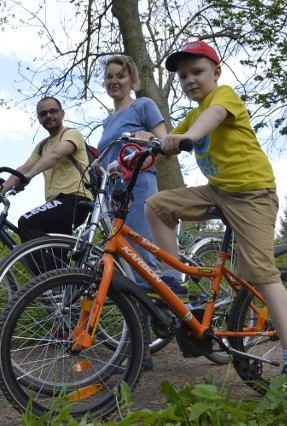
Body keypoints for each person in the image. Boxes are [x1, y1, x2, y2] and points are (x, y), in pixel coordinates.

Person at [144, 40, 287, 399]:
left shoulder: (223, 98)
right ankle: (174, 281)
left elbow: (212, 119)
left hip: (252, 193)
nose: (190, 80)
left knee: (260, 269)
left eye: (197, 72)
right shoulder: (192, 115)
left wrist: (188, 138)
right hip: (219, 192)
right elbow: (163, 143)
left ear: (216, 72)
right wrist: (133, 155)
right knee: (156, 205)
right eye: (183, 77)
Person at [97, 54, 176, 291]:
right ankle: (134, 322)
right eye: (109, 76)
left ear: (132, 79)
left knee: (139, 256)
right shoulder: (107, 121)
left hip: (138, 184)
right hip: (113, 193)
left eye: (121, 76)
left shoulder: (143, 105)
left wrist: (149, 138)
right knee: (121, 260)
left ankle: (152, 320)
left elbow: (165, 143)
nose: (114, 81)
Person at [3, 96, 93, 243]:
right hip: (55, 204)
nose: (48, 116)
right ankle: (58, 267)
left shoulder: (71, 134)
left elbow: (55, 155)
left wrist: (29, 177)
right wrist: (0, 191)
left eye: (53, 111)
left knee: (27, 222)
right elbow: (24, 168)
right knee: (56, 256)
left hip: (75, 201)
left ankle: (45, 267)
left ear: (62, 114)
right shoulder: (42, 145)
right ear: (38, 119)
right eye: (43, 114)